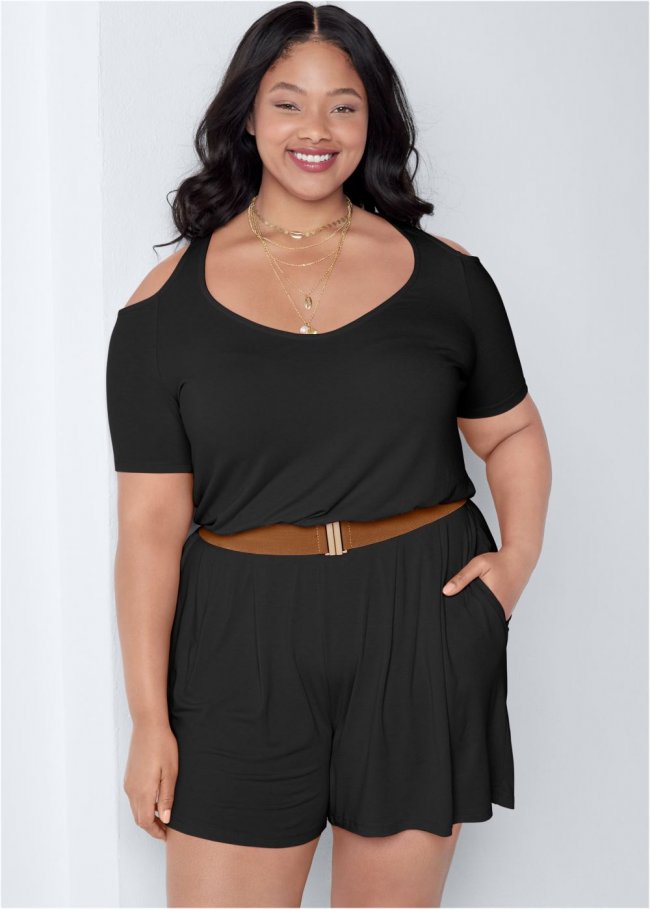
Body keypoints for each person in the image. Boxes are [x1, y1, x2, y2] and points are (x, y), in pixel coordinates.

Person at [105, 2, 551, 906]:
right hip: (240, 638)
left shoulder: (448, 277)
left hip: (417, 620)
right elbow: (150, 525)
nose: (316, 129)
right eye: (288, 103)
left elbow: (511, 432)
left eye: (343, 105)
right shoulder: (162, 307)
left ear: (372, 120)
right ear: (247, 116)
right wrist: (150, 719)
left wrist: (514, 565)